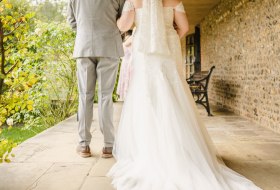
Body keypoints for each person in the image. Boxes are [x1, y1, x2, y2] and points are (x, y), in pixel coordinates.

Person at [108, 0, 263, 189]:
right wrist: (168, 37)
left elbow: (124, 25)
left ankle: (150, 151)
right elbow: (184, 27)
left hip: (144, 52)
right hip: (167, 50)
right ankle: (181, 151)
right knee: (173, 95)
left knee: (146, 97)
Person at [67, 0, 125, 158]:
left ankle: (84, 144)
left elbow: (72, 21)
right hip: (109, 46)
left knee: (85, 96)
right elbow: (124, 20)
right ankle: (108, 145)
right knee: (105, 96)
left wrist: (86, 33)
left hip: (84, 46)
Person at [117, 30, 134, 101]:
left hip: (127, 64)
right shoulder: (129, 39)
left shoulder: (130, 39)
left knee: (128, 80)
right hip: (126, 64)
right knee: (127, 80)